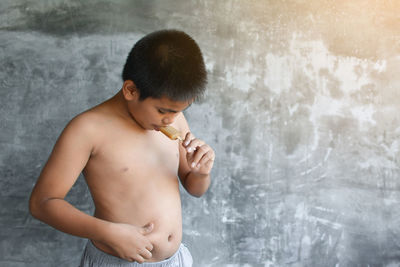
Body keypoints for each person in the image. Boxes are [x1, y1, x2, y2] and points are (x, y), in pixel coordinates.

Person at [29, 29, 215, 267]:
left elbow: (194, 187)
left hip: (176, 260)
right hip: (117, 262)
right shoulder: (87, 130)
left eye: (180, 111)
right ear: (130, 90)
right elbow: (42, 203)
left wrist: (201, 173)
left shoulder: (173, 120)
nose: (171, 120)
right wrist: (108, 232)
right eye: (162, 110)